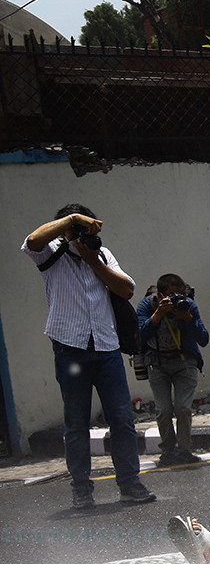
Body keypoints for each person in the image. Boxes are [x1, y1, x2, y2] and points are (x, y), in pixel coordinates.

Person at [20, 203, 155, 508]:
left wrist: (93, 259)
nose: (79, 234)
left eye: (85, 228)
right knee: (76, 424)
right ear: (64, 230)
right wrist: (70, 222)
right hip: (71, 350)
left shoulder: (103, 254)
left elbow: (126, 289)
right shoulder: (51, 252)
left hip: (106, 349)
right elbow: (32, 241)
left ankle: (130, 484)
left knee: (122, 420)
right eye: (74, 229)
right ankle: (82, 490)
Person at [136, 274, 210, 466]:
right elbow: (138, 338)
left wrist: (188, 319)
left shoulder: (188, 306)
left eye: (181, 294)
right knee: (163, 410)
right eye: (172, 295)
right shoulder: (147, 306)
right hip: (157, 363)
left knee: (183, 408)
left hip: (185, 362)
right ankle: (168, 451)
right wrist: (157, 316)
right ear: (160, 295)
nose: (178, 299)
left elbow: (204, 338)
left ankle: (185, 450)